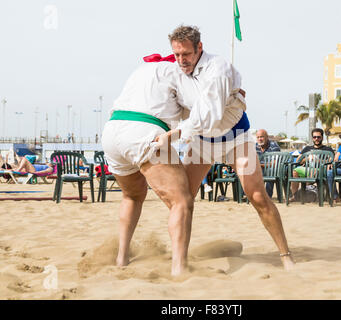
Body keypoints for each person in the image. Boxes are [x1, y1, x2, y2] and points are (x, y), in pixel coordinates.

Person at [161, 25, 294, 270]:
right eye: (176, 54)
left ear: (200, 48)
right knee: (182, 200)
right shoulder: (175, 71)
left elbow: (209, 114)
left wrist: (176, 134)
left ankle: (285, 255)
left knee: (257, 196)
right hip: (202, 142)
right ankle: (182, 257)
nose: (181, 60)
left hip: (236, 138)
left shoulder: (218, 68)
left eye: (186, 54)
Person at [101, 56, 194, 276]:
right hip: (145, 129)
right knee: (181, 201)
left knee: (131, 196)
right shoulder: (177, 72)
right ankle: (179, 268)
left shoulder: (142, 69)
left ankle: (122, 257)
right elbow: (196, 112)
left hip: (112, 130)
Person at [290, 128, 334, 200]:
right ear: (312, 138)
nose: (316, 139)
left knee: (314, 171)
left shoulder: (328, 149)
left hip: (321, 170)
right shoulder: (307, 148)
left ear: (322, 137)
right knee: (295, 171)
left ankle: (309, 187)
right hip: (307, 169)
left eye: (318, 137)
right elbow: (298, 160)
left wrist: (318, 160)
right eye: (314, 137)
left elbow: (331, 161)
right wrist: (308, 158)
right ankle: (294, 196)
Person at [255, 129, 281, 198]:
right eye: (258, 137)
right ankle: (245, 195)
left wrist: (260, 165)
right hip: (259, 169)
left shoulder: (274, 146)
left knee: (270, 171)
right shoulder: (255, 147)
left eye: (261, 137)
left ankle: (267, 196)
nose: (259, 139)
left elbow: (275, 163)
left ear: (267, 137)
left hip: (272, 170)